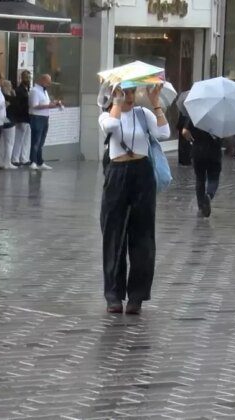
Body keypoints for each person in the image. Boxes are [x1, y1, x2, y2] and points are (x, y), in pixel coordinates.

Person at [99, 84, 168, 315]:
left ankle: (137, 296)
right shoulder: (107, 114)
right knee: (113, 234)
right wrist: (116, 103)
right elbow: (110, 126)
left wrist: (155, 102)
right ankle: (114, 296)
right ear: (113, 94)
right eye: (122, 92)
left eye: (130, 92)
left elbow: (163, 133)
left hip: (142, 172)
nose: (128, 96)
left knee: (142, 235)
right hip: (117, 173)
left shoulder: (143, 113)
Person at [183, 119, 221, 217]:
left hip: (198, 152)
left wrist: (192, 140)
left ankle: (201, 207)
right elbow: (228, 136)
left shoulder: (196, 115)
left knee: (200, 179)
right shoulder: (220, 118)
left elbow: (184, 132)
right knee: (214, 178)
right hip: (214, 153)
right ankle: (208, 195)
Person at [29, 74, 62, 171]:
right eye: (47, 82)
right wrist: (49, 106)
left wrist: (53, 104)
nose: (48, 84)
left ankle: (40, 161)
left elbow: (45, 103)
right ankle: (33, 161)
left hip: (44, 117)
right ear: (42, 80)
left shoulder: (44, 91)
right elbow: (34, 106)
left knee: (41, 141)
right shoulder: (35, 91)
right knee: (36, 140)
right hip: (37, 117)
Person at [9, 70, 31, 167]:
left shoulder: (28, 89)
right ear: (22, 78)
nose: (28, 79)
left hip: (28, 118)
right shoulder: (19, 90)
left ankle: (24, 158)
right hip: (21, 118)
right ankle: (15, 158)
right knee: (19, 139)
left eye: (29, 77)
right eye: (26, 77)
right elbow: (17, 105)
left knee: (26, 139)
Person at [0, 80, 17, 169]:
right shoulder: (10, 97)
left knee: (1, 142)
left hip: (1, 120)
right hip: (10, 121)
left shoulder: (0, 95)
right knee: (9, 142)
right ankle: (7, 162)